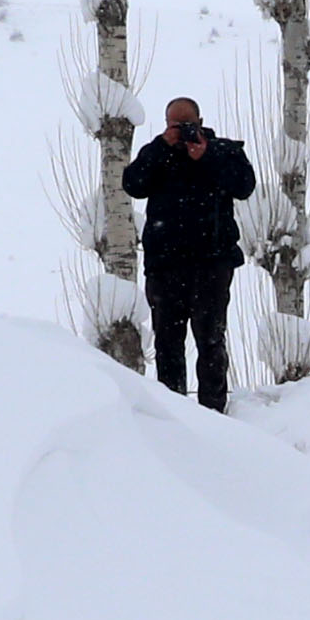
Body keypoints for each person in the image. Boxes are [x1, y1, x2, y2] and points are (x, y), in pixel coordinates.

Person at [121, 97, 256, 411]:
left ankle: (213, 410)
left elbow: (245, 186)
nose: (181, 132)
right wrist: (160, 147)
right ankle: (174, 413)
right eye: (174, 125)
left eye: (187, 125)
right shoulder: (158, 155)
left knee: (210, 339)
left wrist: (206, 156)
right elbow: (133, 184)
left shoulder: (224, 151)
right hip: (165, 264)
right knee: (167, 344)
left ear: (200, 121)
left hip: (212, 262)